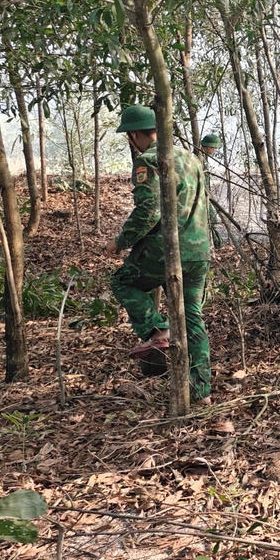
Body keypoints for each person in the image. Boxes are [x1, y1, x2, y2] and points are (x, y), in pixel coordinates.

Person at [107, 105, 213, 399]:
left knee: (122, 281)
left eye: (130, 136)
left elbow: (148, 212)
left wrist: (120, 242)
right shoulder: (191, 158)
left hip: (166, 251)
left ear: (135, 135)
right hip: (199, 251)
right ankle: (201, 390)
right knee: (192, 317)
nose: (132, 142)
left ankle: (157, 330)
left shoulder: (148, 160)